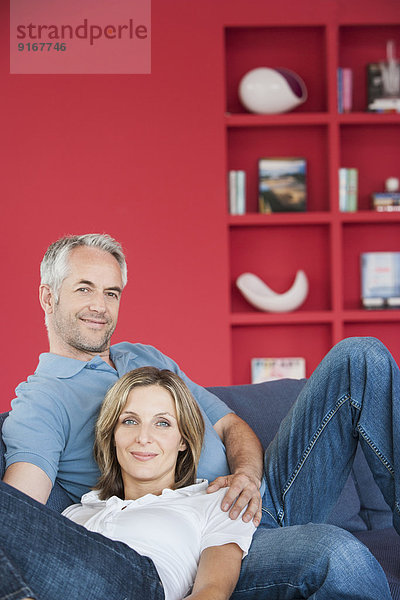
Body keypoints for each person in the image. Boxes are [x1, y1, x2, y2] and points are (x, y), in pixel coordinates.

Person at [2, 232, 399, 599]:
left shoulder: (144, 357)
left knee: (361, 357)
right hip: (206, 540)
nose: (100, 306)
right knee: (338, 555)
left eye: (111, 292)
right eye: (84, 289)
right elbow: (18, 511)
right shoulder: (42, 400)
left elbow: (229, 425)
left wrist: (247, 475)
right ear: (48, 297)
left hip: (265, 497)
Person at [0, 366, 256, 600]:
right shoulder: (78, 511)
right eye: (130, 421)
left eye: (162, 423)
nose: (143, 437)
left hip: (141, 585)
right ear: (113, 435)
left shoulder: (215, 501)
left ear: (183, 441)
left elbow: (212, 592)